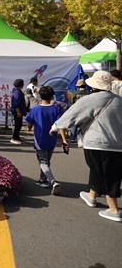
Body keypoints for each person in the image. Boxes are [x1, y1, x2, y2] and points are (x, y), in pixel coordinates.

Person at [50, 71, 122, 222]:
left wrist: (56, 126)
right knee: (103, 171)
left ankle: (114, 210)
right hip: (118, 144)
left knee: (103, 174)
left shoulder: (91, 99)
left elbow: (71, 115)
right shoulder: (119, 100)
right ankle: (91, 196)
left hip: (97, 142)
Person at [25, 86, 65, 195]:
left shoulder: (35, 109)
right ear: (52, 96)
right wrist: (64, 140)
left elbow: (29, 121)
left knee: (43, 161)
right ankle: (43, 179)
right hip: (52, 139)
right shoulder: (56, 109)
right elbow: (61, 125)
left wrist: (29, 128)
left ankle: (53, 181)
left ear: (39, 96)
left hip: (40, 138)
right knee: (47, 160)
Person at [10, 79, 26, 145]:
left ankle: (17, 137)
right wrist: (18, 111)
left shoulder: (17, 91)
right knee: (18, 124)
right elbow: (16, 102)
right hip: (17, 110)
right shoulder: (17, 92)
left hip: (17, 110)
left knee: (19, 124)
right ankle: (14, 138)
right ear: (21, 85)